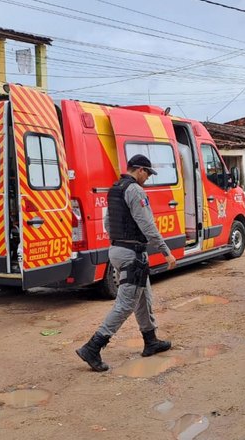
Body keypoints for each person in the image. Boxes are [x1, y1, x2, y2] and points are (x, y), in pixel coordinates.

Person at [76, 154, 176, 372]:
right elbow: (147, 225)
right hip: (132, 253)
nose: (148, 178)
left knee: (143, 297)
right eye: (147, 174)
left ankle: (151, 340)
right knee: (125, 304)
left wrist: (118, 241)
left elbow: (107, 222)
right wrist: (166, 252)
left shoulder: (115, 189)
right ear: (139, 170)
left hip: (118, 249)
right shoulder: (135, 190)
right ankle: (93, 347)